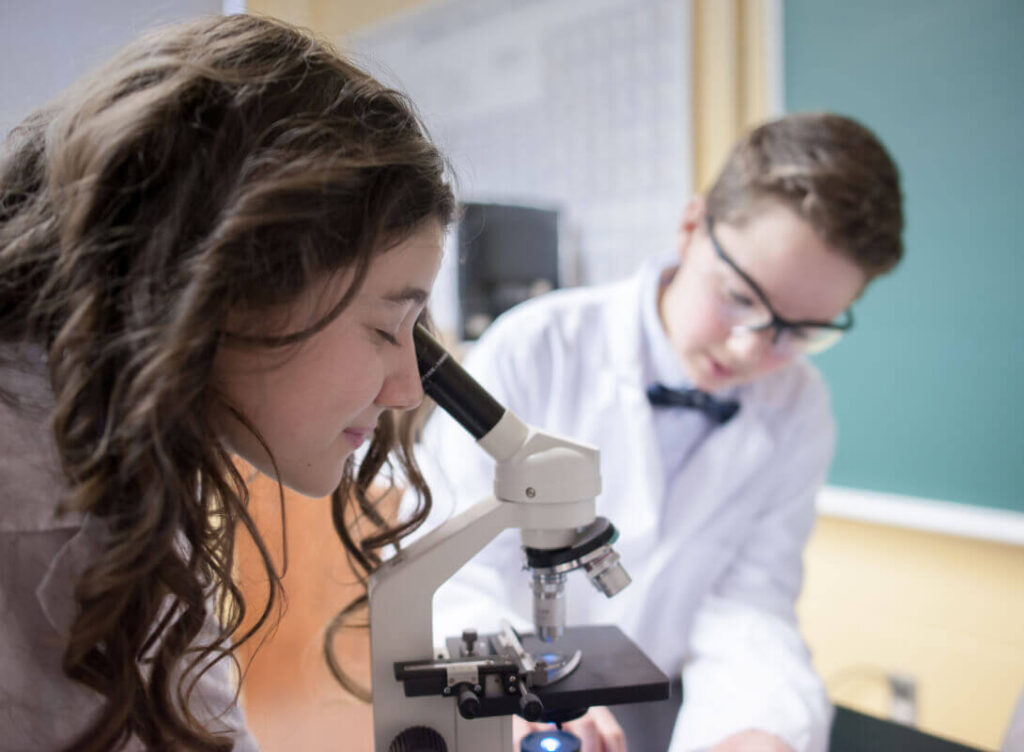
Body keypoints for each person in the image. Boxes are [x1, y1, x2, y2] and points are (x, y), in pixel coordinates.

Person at [0, 14, 454, 751]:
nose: (407, 388)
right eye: (383, 328)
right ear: (230, 277)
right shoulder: (49, 522)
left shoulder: (82, 446)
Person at [416, 112, 903, 752]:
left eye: (801, 330)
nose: (751, 347)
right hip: (511, 704)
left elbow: (749, 604)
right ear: (691, 227)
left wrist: (755, 730)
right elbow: (453, 576)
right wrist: (516, 694)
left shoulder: (799, 407)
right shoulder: (534, 349)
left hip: (663, 714)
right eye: (740, 297)